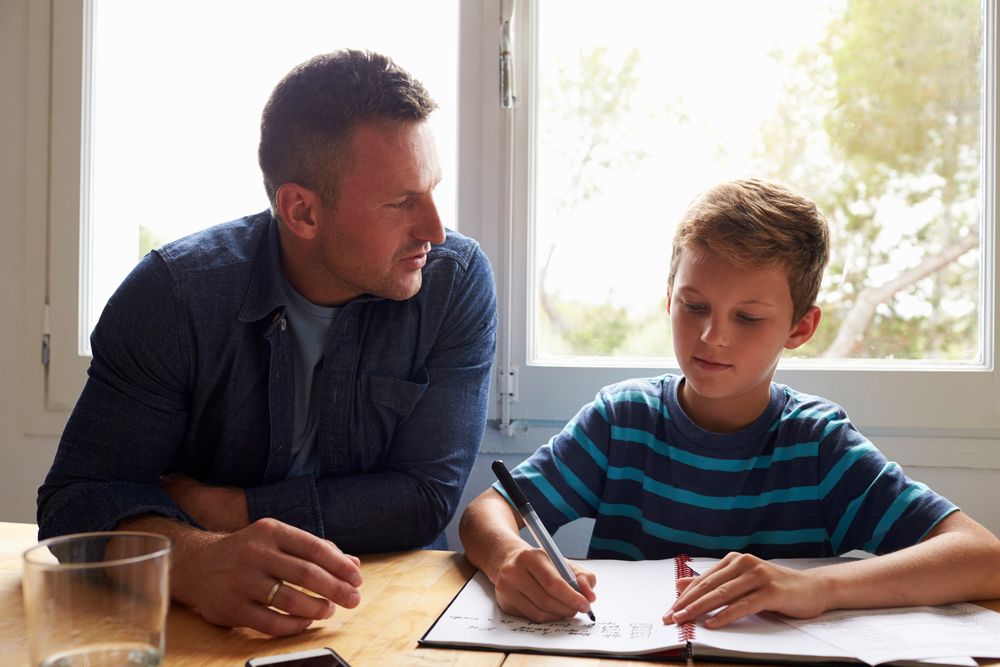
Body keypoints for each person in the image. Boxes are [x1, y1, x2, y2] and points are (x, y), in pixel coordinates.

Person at [37, 50, 497, 636]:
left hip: (398, 610)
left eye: (432, 190)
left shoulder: (454, 284)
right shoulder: (172, 297)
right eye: (402, 201)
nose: (435, 230)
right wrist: (193, 562)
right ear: (302, 211)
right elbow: (74, 503)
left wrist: (230, 511)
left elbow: (424, 499)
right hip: (195, 626)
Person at [459, 178, 1000, 627]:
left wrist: (816, 587)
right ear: (669, 298)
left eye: (748, 317)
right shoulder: (622, 421)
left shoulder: (818, 446)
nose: (712, 336)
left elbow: (983, 558)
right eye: (694, 306)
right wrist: (510, 557)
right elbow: (487, 512)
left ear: (800, 327)